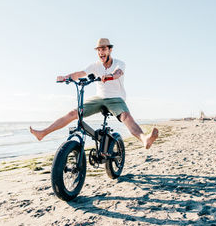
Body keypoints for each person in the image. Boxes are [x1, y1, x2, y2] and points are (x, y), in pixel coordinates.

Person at [30, 38, 159, 149]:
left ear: (110, 50)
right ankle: (43, 133)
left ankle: (144, 139)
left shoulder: (119, 63)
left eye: (103, 49)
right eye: (98, 50)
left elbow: (118, 73)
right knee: (73, 113)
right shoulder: (95, 65)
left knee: (126, 117)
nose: (101, 52)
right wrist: (66, 77)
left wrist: (109, 76)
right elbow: (79, 74)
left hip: (115, 99)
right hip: (99, 98)